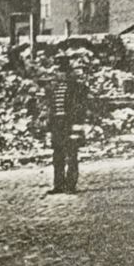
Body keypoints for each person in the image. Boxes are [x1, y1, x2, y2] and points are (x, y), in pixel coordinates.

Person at [45, 52, 86, 194]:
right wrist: (49, 127)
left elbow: (79, 109)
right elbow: (51, 109)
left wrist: (77, 128)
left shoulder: (75, 88)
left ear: (67, 73)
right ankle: (58, 185)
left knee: (71, 155)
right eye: (57, 72)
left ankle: (70, 185)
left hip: (70, 125)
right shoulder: (53, 88)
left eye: (60, 72)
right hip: (58, 125)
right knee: (58, 156)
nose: (57, 75)